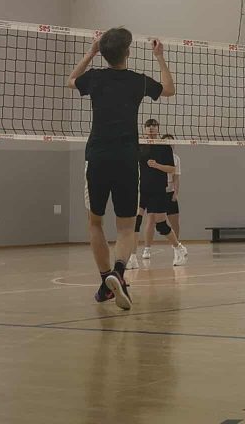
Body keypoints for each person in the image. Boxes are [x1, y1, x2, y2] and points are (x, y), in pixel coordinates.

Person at [68, 28, 174, 310]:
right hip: (127, 159)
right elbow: (169, 90)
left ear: (103, 53)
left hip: (97, 157)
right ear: (127, 52)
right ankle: (118, 271)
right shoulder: (137, 81)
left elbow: (71, 80)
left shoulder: (95, 78)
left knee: (95, 222)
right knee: (126, 227)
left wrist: (90, 53)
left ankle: (106, 281)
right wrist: (160, 57)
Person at [136, 119, 187, 266]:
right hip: (143, 189)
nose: (151, 128)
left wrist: (157, 165)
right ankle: (133, 257)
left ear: (158, 128)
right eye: (148, 126)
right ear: (145, 129)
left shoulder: (164, 147)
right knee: (136, 222)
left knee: (161, 224)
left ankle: (178, 247)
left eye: (154, 126)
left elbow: (172, 169)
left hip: (158, 189)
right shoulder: (140, 145)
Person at [162, 132, 182, 244]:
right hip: (158, 192)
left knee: (175, 222)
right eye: (166, 142)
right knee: (155, 221)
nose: (169, 144)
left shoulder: (176, 158)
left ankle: (177, 245)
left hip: (170, 192)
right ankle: (147, 247)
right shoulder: (157, 157)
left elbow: (176, 178)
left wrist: (175, 193)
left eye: (171, 142)